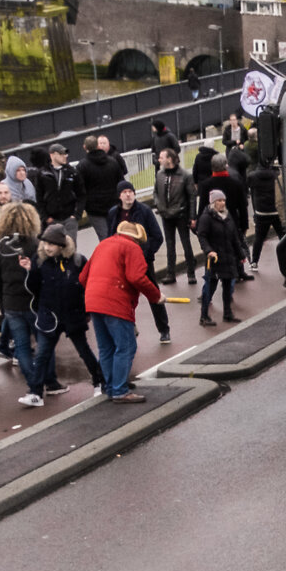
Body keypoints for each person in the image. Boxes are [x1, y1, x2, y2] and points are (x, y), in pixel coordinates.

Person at [0, 202, 66, 401]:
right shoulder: (36, 244)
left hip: (11, 302)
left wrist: (2, 299)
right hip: (35, 302)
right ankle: (50, 382)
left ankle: (34, 383)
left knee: (22, 347)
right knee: (44, 344)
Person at [80, 221, 163, 404]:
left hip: (93, 301)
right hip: (115, 302)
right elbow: (137, 277)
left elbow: (83, 276)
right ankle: (119, 390)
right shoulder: (132, 247)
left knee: (106, 348)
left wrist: (96, 292)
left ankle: (111, 386)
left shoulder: (104, 244)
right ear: (137, 238)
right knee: (125, 346)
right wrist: (156, 296)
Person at [24, 223, 104, 402]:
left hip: (72, 314)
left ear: (61, 245)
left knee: (84, 351)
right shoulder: (38, 260)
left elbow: (87, 286)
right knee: (42, 354)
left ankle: (99, 382)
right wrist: (29, 272)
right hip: (49, 316)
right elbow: (32, 288)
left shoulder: (77, 261)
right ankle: (35, 392)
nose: (47, 247)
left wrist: (87, 310)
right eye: (45, 243)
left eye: (51, 244)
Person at [106, 181, 171, 344]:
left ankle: (164, 329)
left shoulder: (145, 211)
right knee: (124, 297)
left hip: (143, 261)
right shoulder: (113, 213)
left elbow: (157, 236)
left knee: (153, 293)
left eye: (131, 191)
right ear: (119, 195)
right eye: (125, 192)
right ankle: (130, 327)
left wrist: (145, 254)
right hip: (121, 263)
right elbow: (110, 237)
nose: (128, 194)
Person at [196, 190, 248, 326]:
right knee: (210, 287)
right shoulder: (206, 218)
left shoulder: (227, 216)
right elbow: (202, 236)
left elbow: (234, 237)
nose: (222, 203)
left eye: (223, 200)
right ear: (213, 202)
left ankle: (227, 314)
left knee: (227, 287)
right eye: (219, 201)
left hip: (228, 257)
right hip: (214, 259)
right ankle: (204, 316)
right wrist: (209, 251)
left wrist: (241, 255)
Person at [196, 153, 252, 279]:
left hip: (211, 223)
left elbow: (202, 206)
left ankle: (210, 277)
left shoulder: (206, 185)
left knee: (211, 250)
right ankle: (238, 272)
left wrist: (199, 223)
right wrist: (244, 224)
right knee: (235, 246)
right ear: (225, 165)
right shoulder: (235, 183)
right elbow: (243, 206)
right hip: (232, 221)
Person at [153, 148, 197, 285]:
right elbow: (156, 192)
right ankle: (170, 274)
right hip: (166, 215)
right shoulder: (159, 174)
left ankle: (191, 273)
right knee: (170, 245)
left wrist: (192, 217)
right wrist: (159, 206)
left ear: (169, 159)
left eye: (161, 157)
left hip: (181, 215)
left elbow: (192, 197)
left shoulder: (185, 176)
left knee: (186, 244)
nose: (159, 160)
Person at [34, 143, 85, 249]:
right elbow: (39, 197)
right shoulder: (42, 173)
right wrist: (45, 217)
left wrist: (76, 215)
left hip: (69, 217)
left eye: (65, 154)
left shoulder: (72, 172)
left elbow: (81, 194)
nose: (65, 156)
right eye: (61, 154)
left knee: (70, 248)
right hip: (52, 219)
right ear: (52, 155)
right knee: (54, 248)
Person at [78, 135, 126, 241]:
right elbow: (121, 182)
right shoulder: (113, 162)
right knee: (117, 234)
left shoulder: (82, 165)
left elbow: (80, 189)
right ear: (98, 146)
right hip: (113, 204)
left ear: (85, 147)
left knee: (104, 238)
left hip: (94, 209)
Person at [246, 160, 283, 271]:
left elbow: (247, 188)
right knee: (283, 236)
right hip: (276, 211)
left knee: (259, 238)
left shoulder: (252, 176)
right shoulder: (276, 175)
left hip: (261, 211)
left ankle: (254, 262)